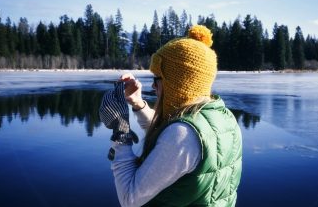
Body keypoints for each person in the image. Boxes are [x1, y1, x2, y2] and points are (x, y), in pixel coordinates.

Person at [99, 25, 242, 207]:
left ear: (177, 83)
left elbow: (129, 198)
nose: (153, 86)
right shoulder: (223, 117)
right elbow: (171, 137)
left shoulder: (183, 135)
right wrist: (139, 104)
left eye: (157, 78)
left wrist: (121, 132)